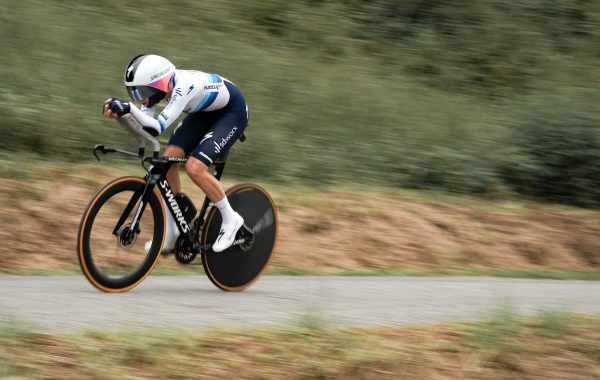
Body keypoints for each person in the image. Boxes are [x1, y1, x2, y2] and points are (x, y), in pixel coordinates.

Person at [102, 54, 247, 253]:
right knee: (168, 159)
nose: (141, 98)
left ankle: (231, 219)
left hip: (231, 113)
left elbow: (156, 128)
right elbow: (142, 129)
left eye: (142, 91)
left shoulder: (183, 85)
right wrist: (123, 114)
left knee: (195, 168)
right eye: (134, 93)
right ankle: (172, 230)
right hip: (203, 113)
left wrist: (128, 107)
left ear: (160, 82)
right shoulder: (156, 92)